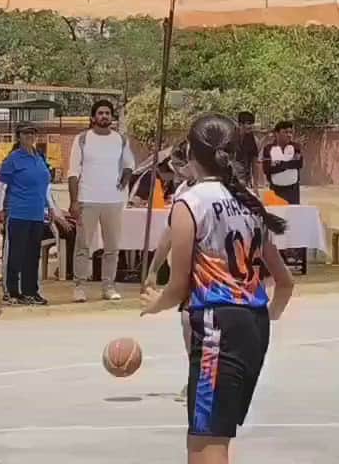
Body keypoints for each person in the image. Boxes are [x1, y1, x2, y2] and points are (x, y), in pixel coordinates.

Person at [140, 113, 294, 464]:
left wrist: (155, 303)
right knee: (215, 437)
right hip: (253, 325)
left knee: (206, 443)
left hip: (217, 325)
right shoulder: (250, 202)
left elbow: (178, 287)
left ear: (191, 153)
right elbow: (284, 282)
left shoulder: (191, 203)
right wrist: (260, 316)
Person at [144, 141, 198, 403]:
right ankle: (196, 377)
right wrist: (154, 268)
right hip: (191, 268)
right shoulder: (182, 191)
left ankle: (210, 379)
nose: (176, 170)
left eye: (180, 164)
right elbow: (169, 232)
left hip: (216, 268)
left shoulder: (221, 190)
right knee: (189, 323)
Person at [67, 98, 135, 303]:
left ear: (112, 117)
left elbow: (129, 164)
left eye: (107, 113)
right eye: (100, 113)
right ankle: (79, 286)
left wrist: (123, 181)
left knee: (112, 246)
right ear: (93, 117)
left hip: (113, 201)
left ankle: (108, 286)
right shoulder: (82, 139)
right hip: (87, 199)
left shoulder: (120, 139)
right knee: (83, 246)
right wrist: (74, 201)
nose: (104, 116)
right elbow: (73, 172)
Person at [0, 123, 69, 306]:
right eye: (26, 133)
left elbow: (45, 187)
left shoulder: (39, 158)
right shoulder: (14, 159)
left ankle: (31, 291)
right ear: (19, 136)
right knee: (16, 253)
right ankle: (12, 291)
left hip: (37, 214)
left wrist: (52, 207)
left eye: (33, 133)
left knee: (32, 254)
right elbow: (1, 185)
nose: (30, 136)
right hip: (18, 212)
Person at [262, 121, 303, 205]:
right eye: (285, 132)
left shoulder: (296, 147)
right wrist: (287, 164)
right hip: (276, 189)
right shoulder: (268, 149)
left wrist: (280, 164)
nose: (289, 135)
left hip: (293, 190)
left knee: (292, 215)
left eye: (290, 132)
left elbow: (299, 164)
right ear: (277, 133)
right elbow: (267, 169)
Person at [236, 111, 260, 187]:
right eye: (248, 123)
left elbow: (254, 163)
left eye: (252, 123)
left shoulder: (252, 139)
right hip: (231, 178)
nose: (251, 126)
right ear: (240, 124)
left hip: (245, 180)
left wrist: (255, 185)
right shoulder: (230, 138)